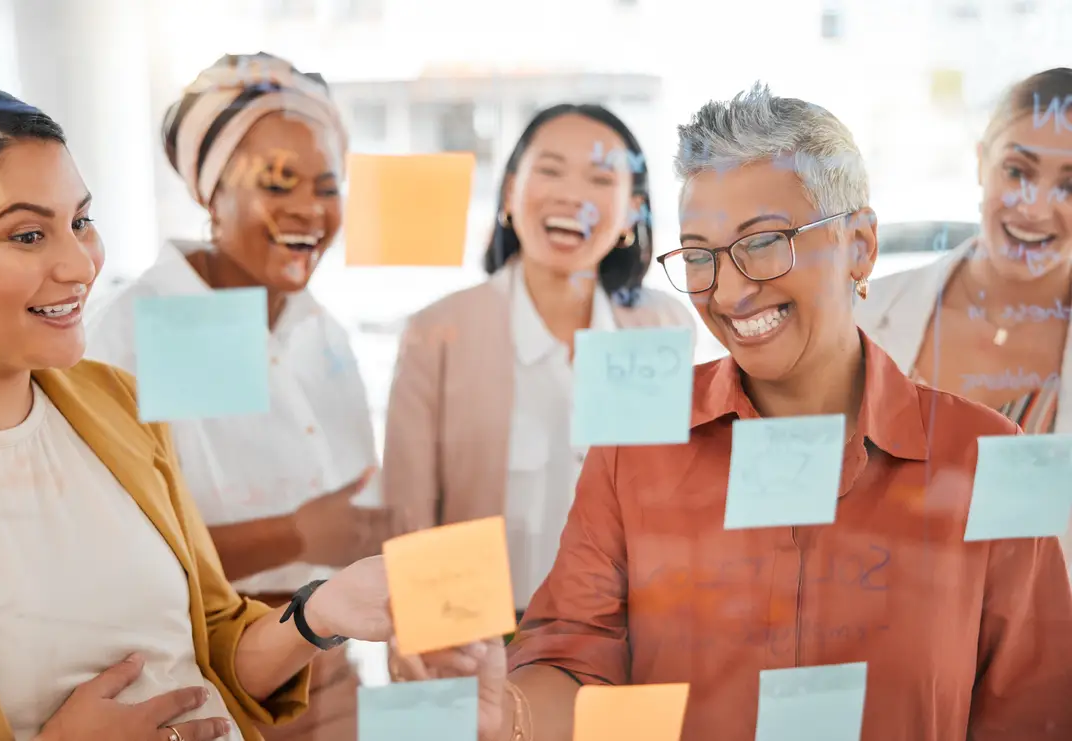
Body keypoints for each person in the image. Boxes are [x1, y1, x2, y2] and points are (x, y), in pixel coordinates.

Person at [400, 85, 1072, 741]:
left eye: (762, 242)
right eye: (698, 255)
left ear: (860, 244)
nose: (727, 290)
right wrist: (507, 713)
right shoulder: (637, 444)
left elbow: (1030, 709)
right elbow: (577, 660)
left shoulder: (992, 454)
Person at [0, 78, 398, 741]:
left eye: (81, 222)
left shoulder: (114, 402)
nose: (79, 264)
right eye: (29, 234)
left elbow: (210, 639)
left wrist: (321, 610)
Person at [85, 54, 387, 741]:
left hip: (328, 670)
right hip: (195, 686)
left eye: (327, 185)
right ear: (209, 191)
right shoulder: (133, 331)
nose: (309, 208)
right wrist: (299, 533)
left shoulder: (322, 329)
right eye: (277, 183)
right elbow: (117, 560)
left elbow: (354, 516)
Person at [383, 103, 696, 626]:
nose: (572, 195)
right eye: (549, 170)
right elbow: (409, 518)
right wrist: (431, 641)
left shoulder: (663, 327)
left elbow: (675, 503)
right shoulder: (438, 332)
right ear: (509, 193)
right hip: (479, 637)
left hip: (625, 637)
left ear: (632, 212)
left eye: (600, 178)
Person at [855, 67, 1072, 563]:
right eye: (1017, 171)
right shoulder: (862, 315)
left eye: (1070, 185)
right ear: (981, 163)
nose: (1035, 208)